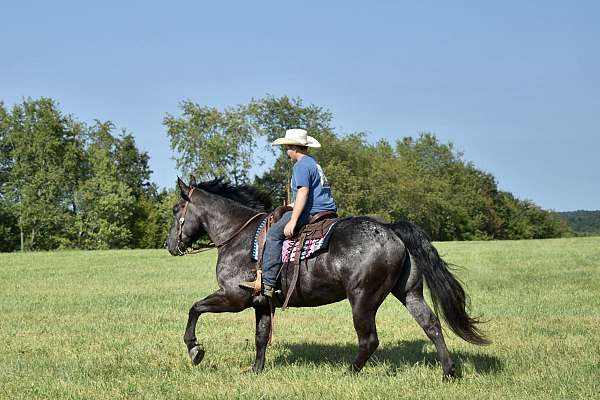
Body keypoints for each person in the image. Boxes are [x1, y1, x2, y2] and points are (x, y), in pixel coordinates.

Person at [240, 128, 337, 298]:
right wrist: (290, 205)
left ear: (295, 148)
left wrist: (293, 220)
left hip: (311, 212)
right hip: (326, 209)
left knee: (273, 235)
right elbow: (312, 194)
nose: (286, 151)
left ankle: (268, 284)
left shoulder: (301, 166)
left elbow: (303, 192)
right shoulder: (312, 162)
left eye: (287, 147)